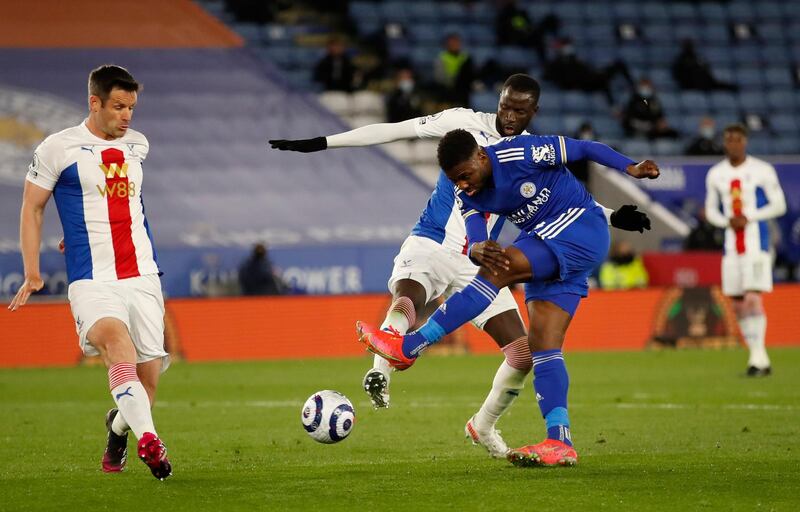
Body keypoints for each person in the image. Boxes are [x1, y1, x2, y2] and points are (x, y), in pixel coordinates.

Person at [269, 74, 651, 458]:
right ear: (498, 100)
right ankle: (382, 370)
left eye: (520, 110)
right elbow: (396, 130)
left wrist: (614, 215)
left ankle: (484, 425)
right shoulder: (463, 122)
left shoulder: (528, 151)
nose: (510, 115)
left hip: (479, 257)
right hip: (434, 240)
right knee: (409, 295)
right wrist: (324, 142)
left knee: (523, 354)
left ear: (533, 112)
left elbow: (565, 202)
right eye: (505, 106)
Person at [357, 128, 659, 467]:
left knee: (497, 271)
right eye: (456, 180)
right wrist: (477, 247)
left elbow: (584, 148)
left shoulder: (521, 152)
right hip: (548, 244)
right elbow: (475, 237)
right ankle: (559, 440)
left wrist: (629, 166)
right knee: (542, 345)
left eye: (466, 175)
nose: (463, 184)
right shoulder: (466, 190)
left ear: (482, 157)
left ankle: (408, 348)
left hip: (577, 227)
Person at [7, 65, 172, 480]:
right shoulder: (57, 148)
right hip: (93, 280)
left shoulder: (138, 145)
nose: (127, 116)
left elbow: (131, 205)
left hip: (142, 275)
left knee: (147, 385)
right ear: (94, 102)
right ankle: (151, 443)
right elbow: (33, 206)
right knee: (118, 348)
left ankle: (119, 430)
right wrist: (33, 270)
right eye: (118, 106)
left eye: (132, 107)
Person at [703, 124, 786, 377]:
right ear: (724, 143)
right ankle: (760, 360)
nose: (733, 144)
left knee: (752, 298)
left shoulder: (762, 170)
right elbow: (711, 210)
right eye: (728, 140)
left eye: (737, 140)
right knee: (738, 304)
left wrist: (750, 216)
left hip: (756, 244)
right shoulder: (716, 174)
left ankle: (757, 359)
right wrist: (726, 221)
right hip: (731, 246)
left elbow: (779, 205)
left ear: (745, 142)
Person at [543, 37, 634, 105]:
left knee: (615, 67)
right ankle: (614, 106)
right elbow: (548, 76)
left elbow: (585, 69)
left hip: (589, 78)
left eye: (568, 45)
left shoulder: (574, 59)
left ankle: (631, 86)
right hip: (580, 83)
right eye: (565, 46)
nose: (568, 48)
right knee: (603, 81)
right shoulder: (557, 62)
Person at [672, 39, 738, 92]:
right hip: (690, 84)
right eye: (688, 45)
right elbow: (677, 74)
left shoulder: (697, 57)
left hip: (704, 82)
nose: (691, 47)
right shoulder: (681, 59)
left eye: (691, 45)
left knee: (721, 85)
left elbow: (706, 68)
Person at [433, 33, 474, 106]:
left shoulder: (465, 57)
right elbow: (439, 77)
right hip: (448, 89)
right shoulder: (442, 57)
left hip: (463, 90)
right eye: (452, 43)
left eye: (456, 43)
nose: (455, 45)